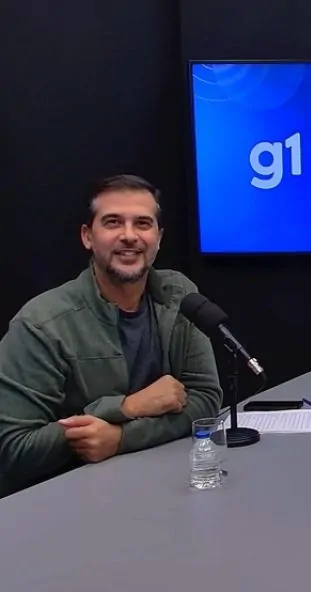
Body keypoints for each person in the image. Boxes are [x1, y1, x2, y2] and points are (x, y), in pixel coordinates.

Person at [0, 174, 223, 497]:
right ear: (88, 236)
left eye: (142, 224)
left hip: (161, 485)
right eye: (113, 222)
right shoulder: (40, 323)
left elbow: (205, 401)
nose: (129, 236)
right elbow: (12, 449)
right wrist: (127, 407)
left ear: (159, 238)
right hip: (65, 502)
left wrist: (120, 439)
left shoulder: (179, 294)